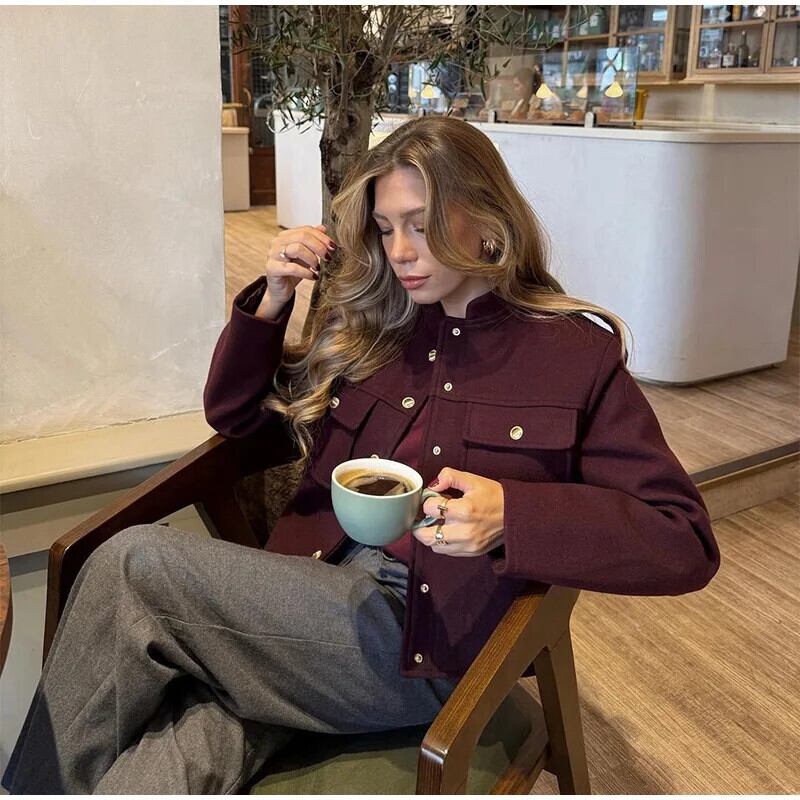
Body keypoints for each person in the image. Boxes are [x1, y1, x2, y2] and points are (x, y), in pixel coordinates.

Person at [3, 116, 720, 793]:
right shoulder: (380, 333)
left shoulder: (572, 356)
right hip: (304, 603)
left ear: (488, 217)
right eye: (385, 228)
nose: (400, 251)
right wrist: (273, 300)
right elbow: (237, 418)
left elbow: (683, 540)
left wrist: (514, 515)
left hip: (422, 641)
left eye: (421, 224)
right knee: (183, 752)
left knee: (135, 564)